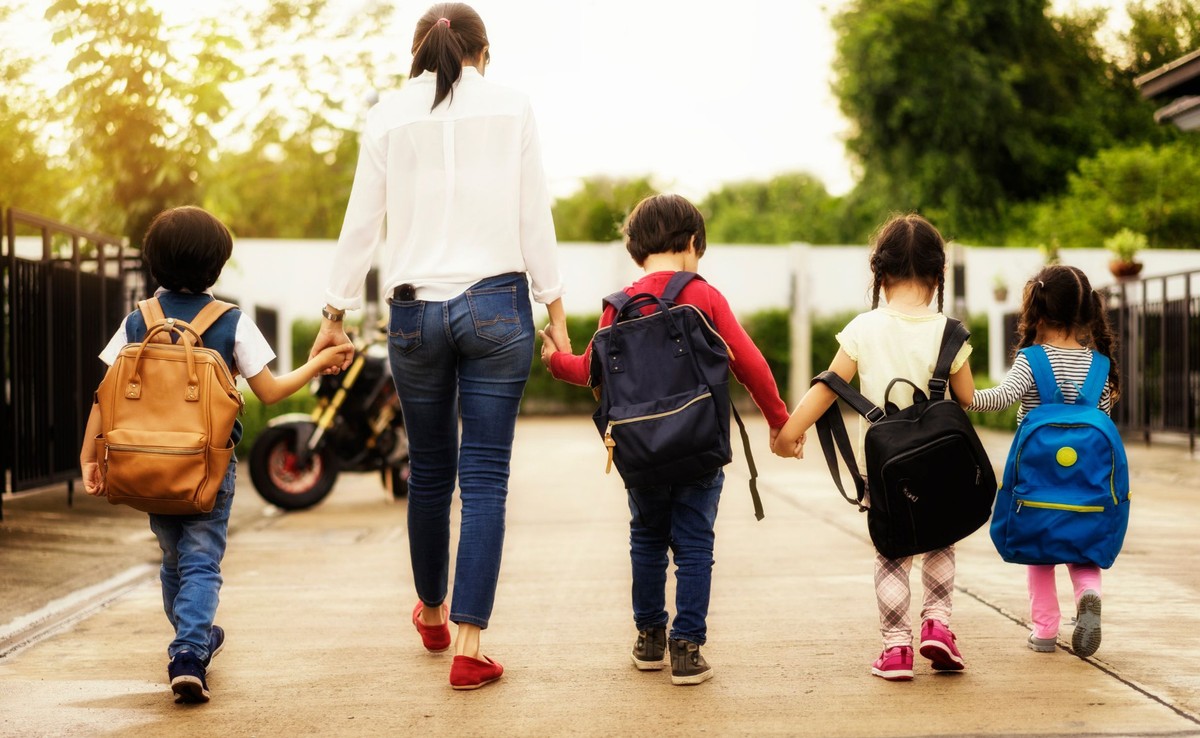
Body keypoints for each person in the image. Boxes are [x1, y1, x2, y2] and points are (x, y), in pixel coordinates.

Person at [309, 2, 569, 690]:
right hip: (496, 306)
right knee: (484, 479)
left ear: (418, 53)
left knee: (429, 471)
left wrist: (334, 311)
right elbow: (532, 212)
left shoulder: (388, 113)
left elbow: (362, 221)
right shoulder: (513, 106)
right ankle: (469, 644)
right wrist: (557, 308)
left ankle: (430, 609)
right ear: (486, 52)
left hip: (413, 312)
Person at [78, 206, 353, 704]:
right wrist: (316, 365)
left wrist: (89, 456)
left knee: (172, 561)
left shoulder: (138, 320)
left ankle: (195, 638)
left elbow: (106, 392)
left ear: (153, 264)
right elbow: (270, 392)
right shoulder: (230, 322)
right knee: (202, 562)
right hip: (206, 468)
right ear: (217, 267)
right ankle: (189, 653)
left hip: (146, 466)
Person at [539, 193, 789, 686]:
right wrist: (777, 420)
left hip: (640, 451)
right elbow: (750, 363)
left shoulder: (619, 305)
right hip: (698, 447)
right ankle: (687, 648)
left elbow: (587, 369)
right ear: (694, 242)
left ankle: (649, 638)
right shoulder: (704, 295)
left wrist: (551, 360)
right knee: (695, 543)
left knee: (647, 538)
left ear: (636, 250)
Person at [771, 213, 975, 681]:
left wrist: (788, 433)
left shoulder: (864, 328)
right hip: (941, 464)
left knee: (891, 552)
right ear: (938, 274)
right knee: (940, 540)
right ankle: (939, 626)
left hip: (884, 468)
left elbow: (827, 387)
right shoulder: (951, 332)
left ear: (879, 273)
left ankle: (897, 649)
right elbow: (965, 399)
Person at [967, 264, 1118, 658]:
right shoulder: (1099, 365)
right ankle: (1088, 594)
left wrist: (964, 396)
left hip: (1037, 484)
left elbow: (1000, 398)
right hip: (1086, 485)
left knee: (1040, 554)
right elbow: (1102, 421)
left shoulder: (1032, 360)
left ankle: (1045, 632)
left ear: (1037, 309)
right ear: (1087, 311)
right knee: (1082, 548)